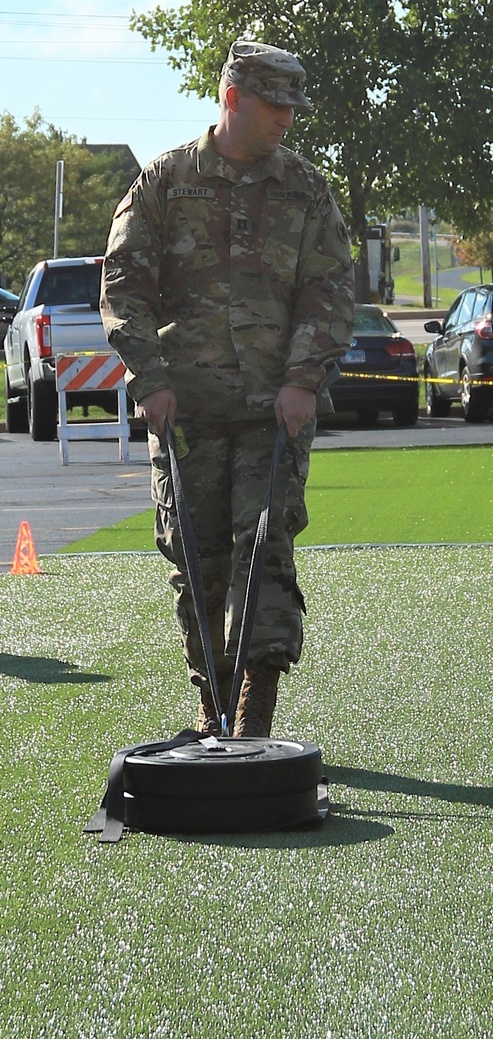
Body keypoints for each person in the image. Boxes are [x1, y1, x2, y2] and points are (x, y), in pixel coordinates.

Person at [101, 41, 354, 736]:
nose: (287, 121)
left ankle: (254, 719)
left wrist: (304, 379)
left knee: (265, 551)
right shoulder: (165, 182)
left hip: (274, 413)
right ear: (232, 97)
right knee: (197, 563)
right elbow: (124, 286)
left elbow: (330, 290)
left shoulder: (305, 189)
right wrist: (149, 381)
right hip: (185, 413)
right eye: (275, 106)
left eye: (294, 108)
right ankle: (213, 704)